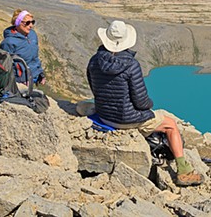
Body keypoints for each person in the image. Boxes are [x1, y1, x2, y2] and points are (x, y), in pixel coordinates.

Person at [86, 20, 203, 187]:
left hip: (104, 116)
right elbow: (141, 102)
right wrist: (149, 105)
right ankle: (183, 171)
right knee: (170, 125)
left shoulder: (93, 61)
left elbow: (94, 89)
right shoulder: (131, 65)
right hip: (127, 119)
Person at [0, 9, 46, 85]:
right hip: (20, 81)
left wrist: (40, 73)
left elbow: (35, 56)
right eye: (27, 23)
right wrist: (20, 80)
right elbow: (6, 66)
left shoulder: (32, 35)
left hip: (33, 76)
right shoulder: (8, 42)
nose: (31, 25)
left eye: (32, 22)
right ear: (17, 23)